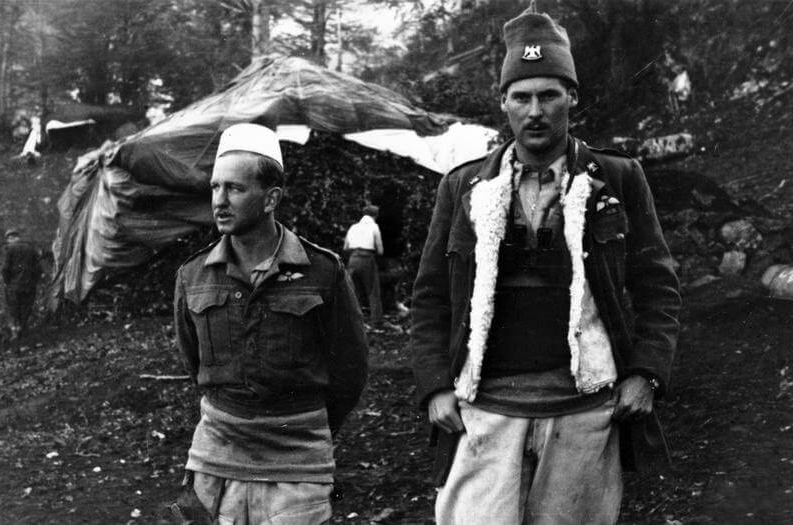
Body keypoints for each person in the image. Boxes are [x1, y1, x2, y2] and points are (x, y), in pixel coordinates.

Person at [409, 5, 681, 524]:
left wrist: (645, 375)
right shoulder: (462, 186)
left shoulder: (618, 179)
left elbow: (657, 285)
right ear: (504, 104)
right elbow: (430, 296)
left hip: (584, 409)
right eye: (522, 97)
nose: (535, 111)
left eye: (549, 95)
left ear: (571, 98)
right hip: (485, 409)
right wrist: (434, 386)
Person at [173, 123, 368, 524]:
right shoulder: (193, 276)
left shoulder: (321, 271)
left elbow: (350, 368)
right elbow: (195, 362)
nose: (219, 201)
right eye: (215, 187)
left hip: (298, 462)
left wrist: (300, 423)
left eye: (235, 188)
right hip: (216, 457)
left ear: (270, 198)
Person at [343, 205, 384, 326]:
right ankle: (376, 321)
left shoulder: (353, 227)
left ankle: (352, 322)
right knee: (373, 290)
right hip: (367, 258)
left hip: (353, 258)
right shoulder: (374, 227)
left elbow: (345, 247)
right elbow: (380, 250)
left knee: (353, 291)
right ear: (375, 216)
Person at [1, 229, 42, 340]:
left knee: (13, 308)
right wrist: (34, 282)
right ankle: (23, 330)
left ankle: (15, 332)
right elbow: (39, 269)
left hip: (13, 286)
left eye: (8, 239)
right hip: (29, 286)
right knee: (26, 307)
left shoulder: (9, 249)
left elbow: (5, 268)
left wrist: (6, 282)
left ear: (10, 238)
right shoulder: (31, 249)